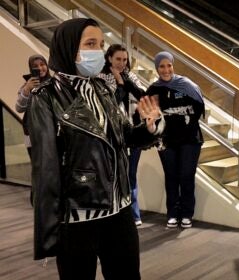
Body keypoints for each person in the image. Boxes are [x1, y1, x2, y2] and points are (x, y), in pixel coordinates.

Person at [28, 18, 163, 279]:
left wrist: (148, 127)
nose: (97, 51)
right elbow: (46, 169)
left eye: (100, 44)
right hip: (78, 217)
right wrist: (49, 233)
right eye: (90, 43)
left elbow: (123, 136)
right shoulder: (46, 98)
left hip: (120, 209)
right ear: (68, 48)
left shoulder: (102, 88)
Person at [146, 51, 204, 229]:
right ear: (157, 68)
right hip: (166, 141)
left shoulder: (186, 85)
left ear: (173, 65)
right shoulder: (154, 89)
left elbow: (199, 108)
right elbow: (149, 114)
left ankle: (187, 213)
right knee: (171, 176)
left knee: (186, 176)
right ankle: (172, 213)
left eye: (168, 65)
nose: (166, 70)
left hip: (189, 140)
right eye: (161, 66)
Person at [99, 44, 146, 226]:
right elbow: (109, 105)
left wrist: (126, 81)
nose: (121, 63)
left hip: (131, 132)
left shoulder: (130, 76)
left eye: (124, 60)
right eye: (118, 59)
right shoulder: (100, 78)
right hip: (111, 134)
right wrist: (118, 83)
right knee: (114, 174)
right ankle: (116, 212)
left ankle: (133, 214)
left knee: (131, 175)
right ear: (109, 58)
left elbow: (142, 95)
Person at [15, 54, 51, 157]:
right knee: (38, 167)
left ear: (47, 65)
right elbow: (19, 108)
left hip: (52, 134)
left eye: (42, 64)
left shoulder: (55, 84)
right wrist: (27, 90)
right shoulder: (27, 86)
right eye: (35, 66)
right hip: (32, 135)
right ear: (31, 68)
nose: (40, 68)